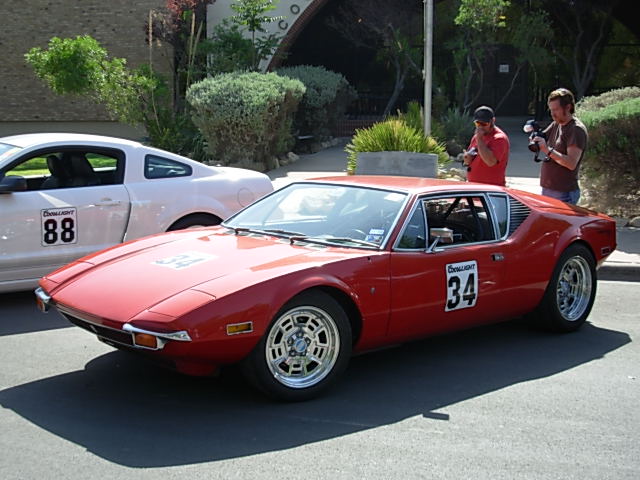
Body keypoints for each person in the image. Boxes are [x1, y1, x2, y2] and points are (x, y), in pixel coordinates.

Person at [533, 88, 588, 205]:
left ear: (568, 107)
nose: (553, 114)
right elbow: (542, 137)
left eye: (556, 109)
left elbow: (571, 163)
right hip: (549, 188)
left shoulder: (575, 130)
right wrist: (535, 137)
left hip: (563, 192)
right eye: (551, 110)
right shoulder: (557, 123)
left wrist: (547, 150)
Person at [462, 106, 510, 186]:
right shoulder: (477, 137)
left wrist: (480, 139)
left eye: (484, 124)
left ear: (493, 121)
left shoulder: (499, 138)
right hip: (474, 186)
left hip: (491, 188)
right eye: (478, 123)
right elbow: (472, 157)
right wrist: (467, 159)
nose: (480, 127)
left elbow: (490, 162)